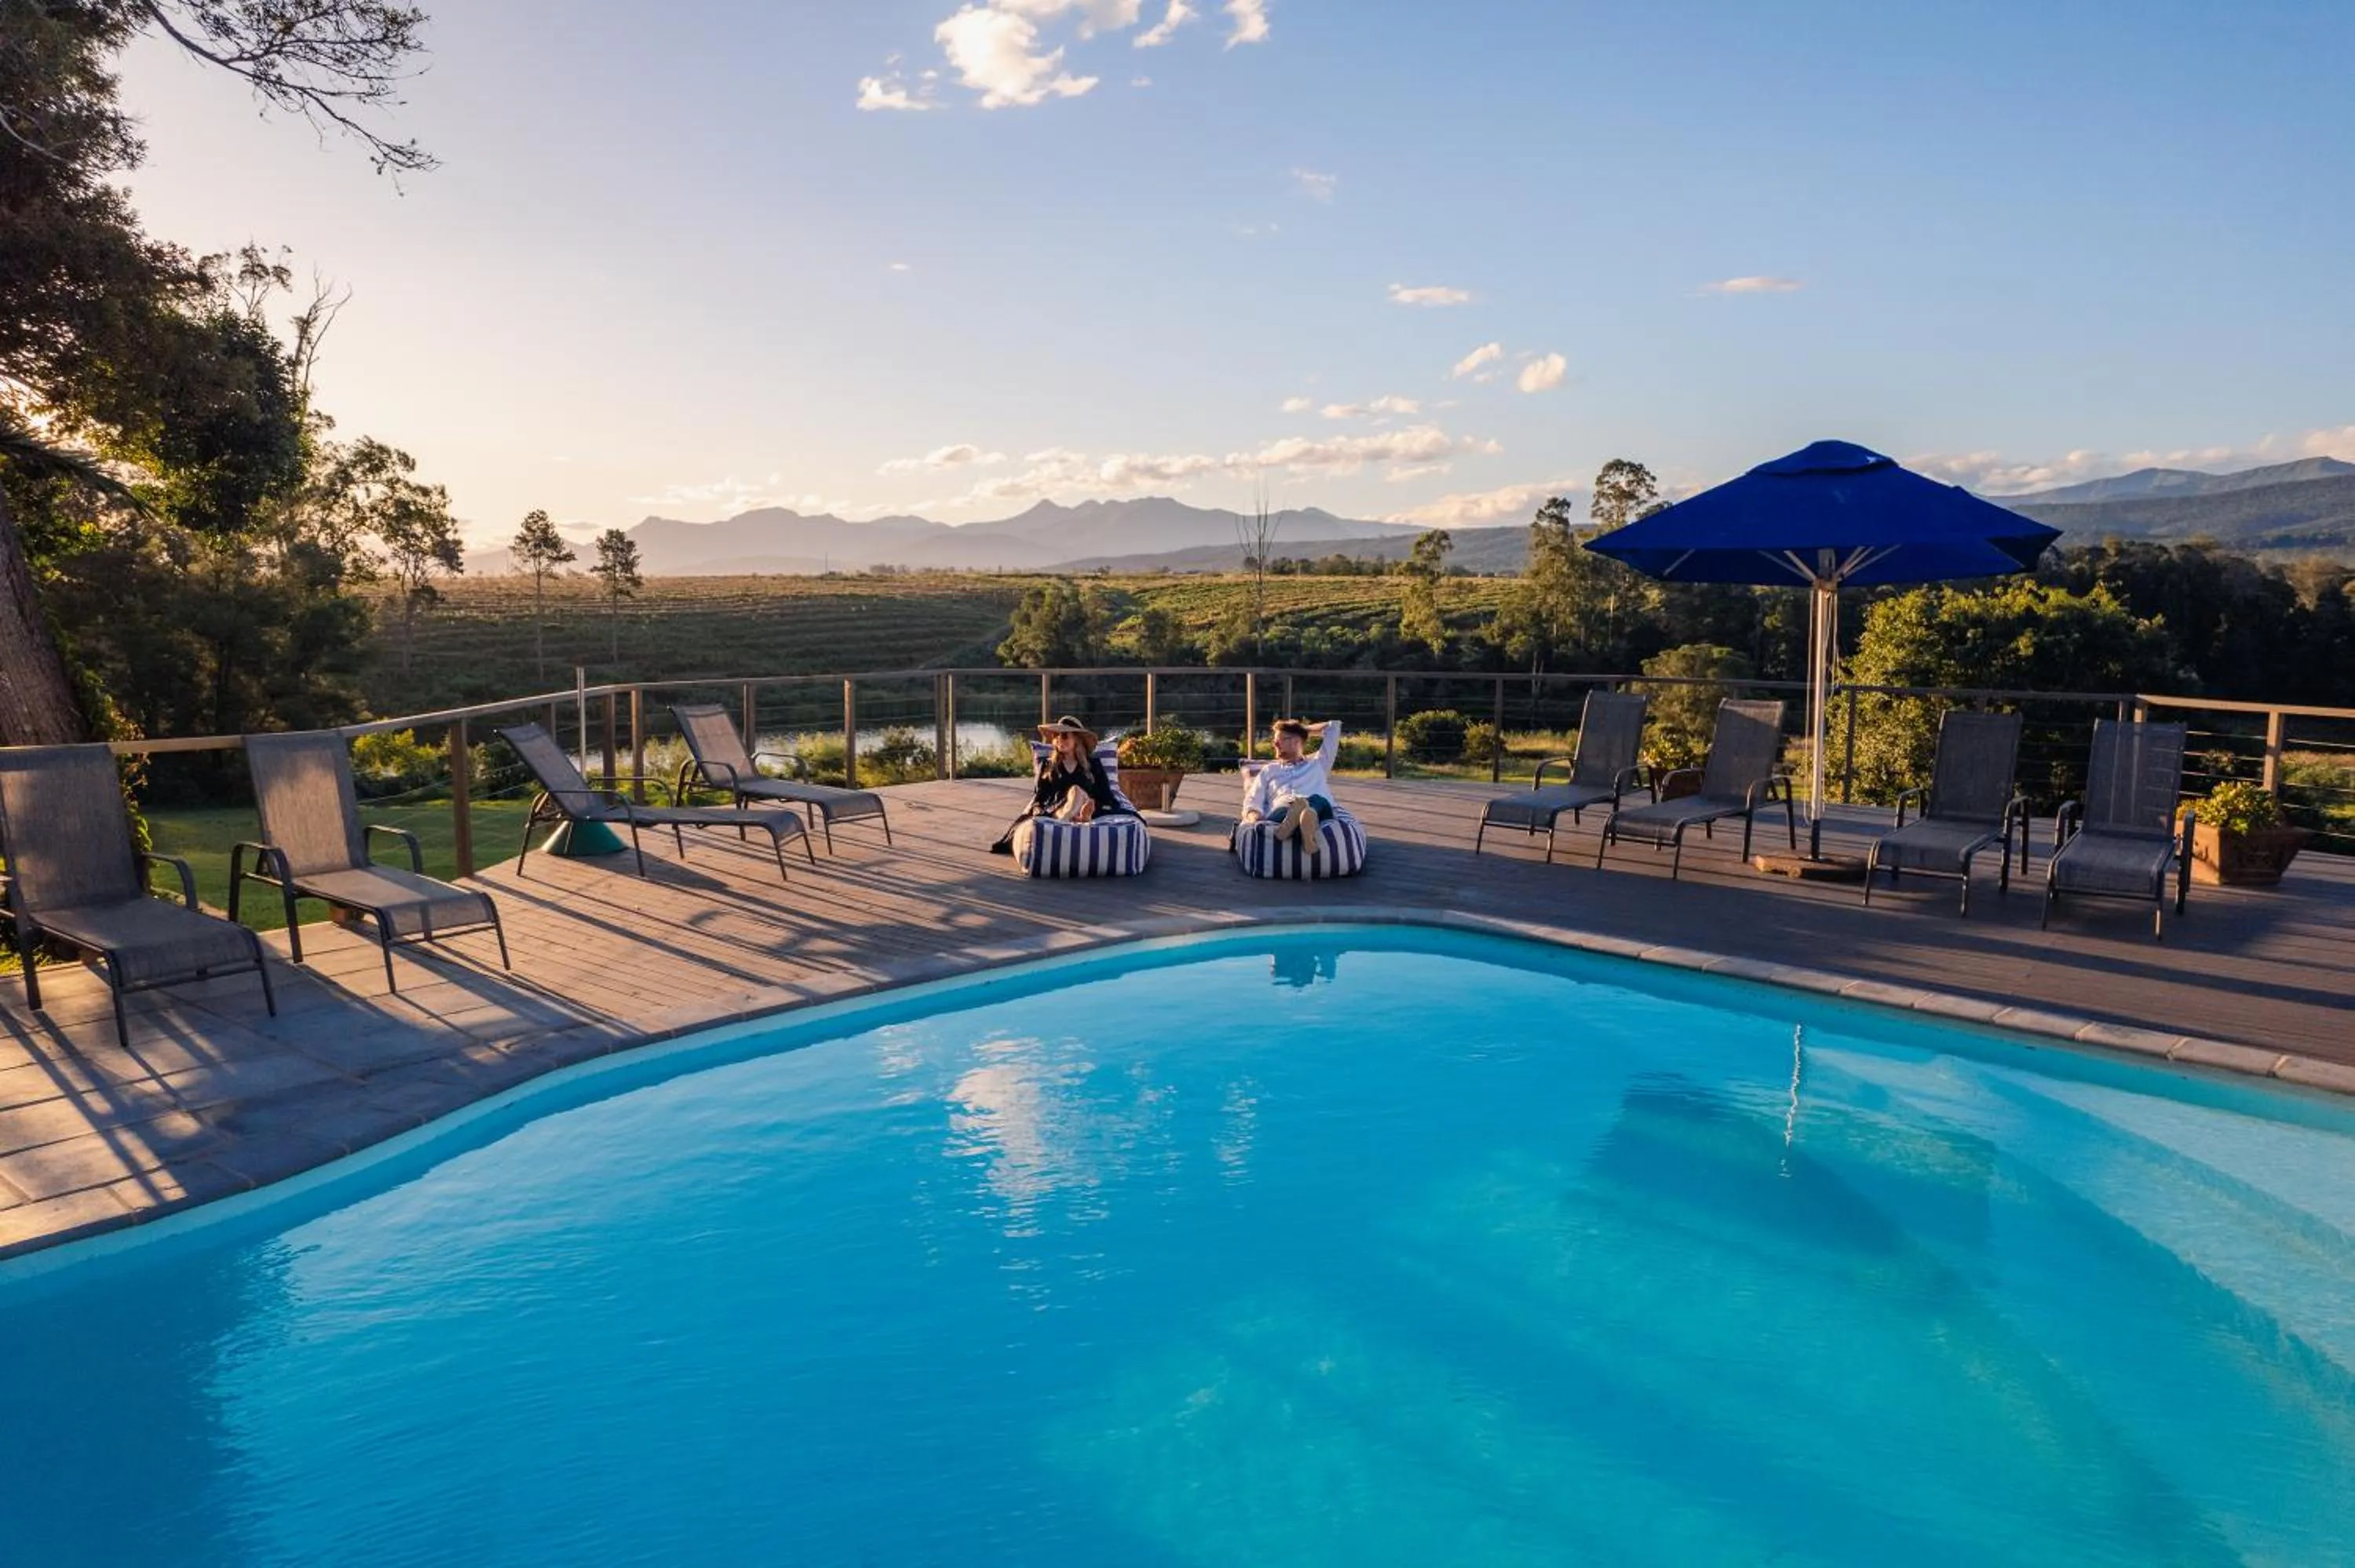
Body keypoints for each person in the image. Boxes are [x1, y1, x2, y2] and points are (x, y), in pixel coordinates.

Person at [989, 715, 1133, 853]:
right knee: (1075, 792)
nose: (1059, 740)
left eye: (1064, 736)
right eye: (1056, 736)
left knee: (1077, 791)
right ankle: (1075, 821)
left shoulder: (1093, 765)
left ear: (1077, 739)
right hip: (1056, 809)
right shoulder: (1048, 766)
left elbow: (1106, 795)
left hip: (1086, 805)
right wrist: (1038, 810)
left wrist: (1096, 805)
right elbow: (1040, 796)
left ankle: (1068, 824)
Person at [1240, 718, 1342, 855]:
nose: (1275, 744)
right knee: (1290, 805)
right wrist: (1253, 816)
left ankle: (1303, 817)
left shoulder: (1318, 763)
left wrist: (1301, 730)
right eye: (1275, 740)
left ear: (1297, 741)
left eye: (1281, 739)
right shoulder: (1269, 770)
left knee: (1317, 800)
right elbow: (1253, 798)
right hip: (1283, 811)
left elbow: (1333, 727)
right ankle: (1298, 824)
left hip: (1320, 810)